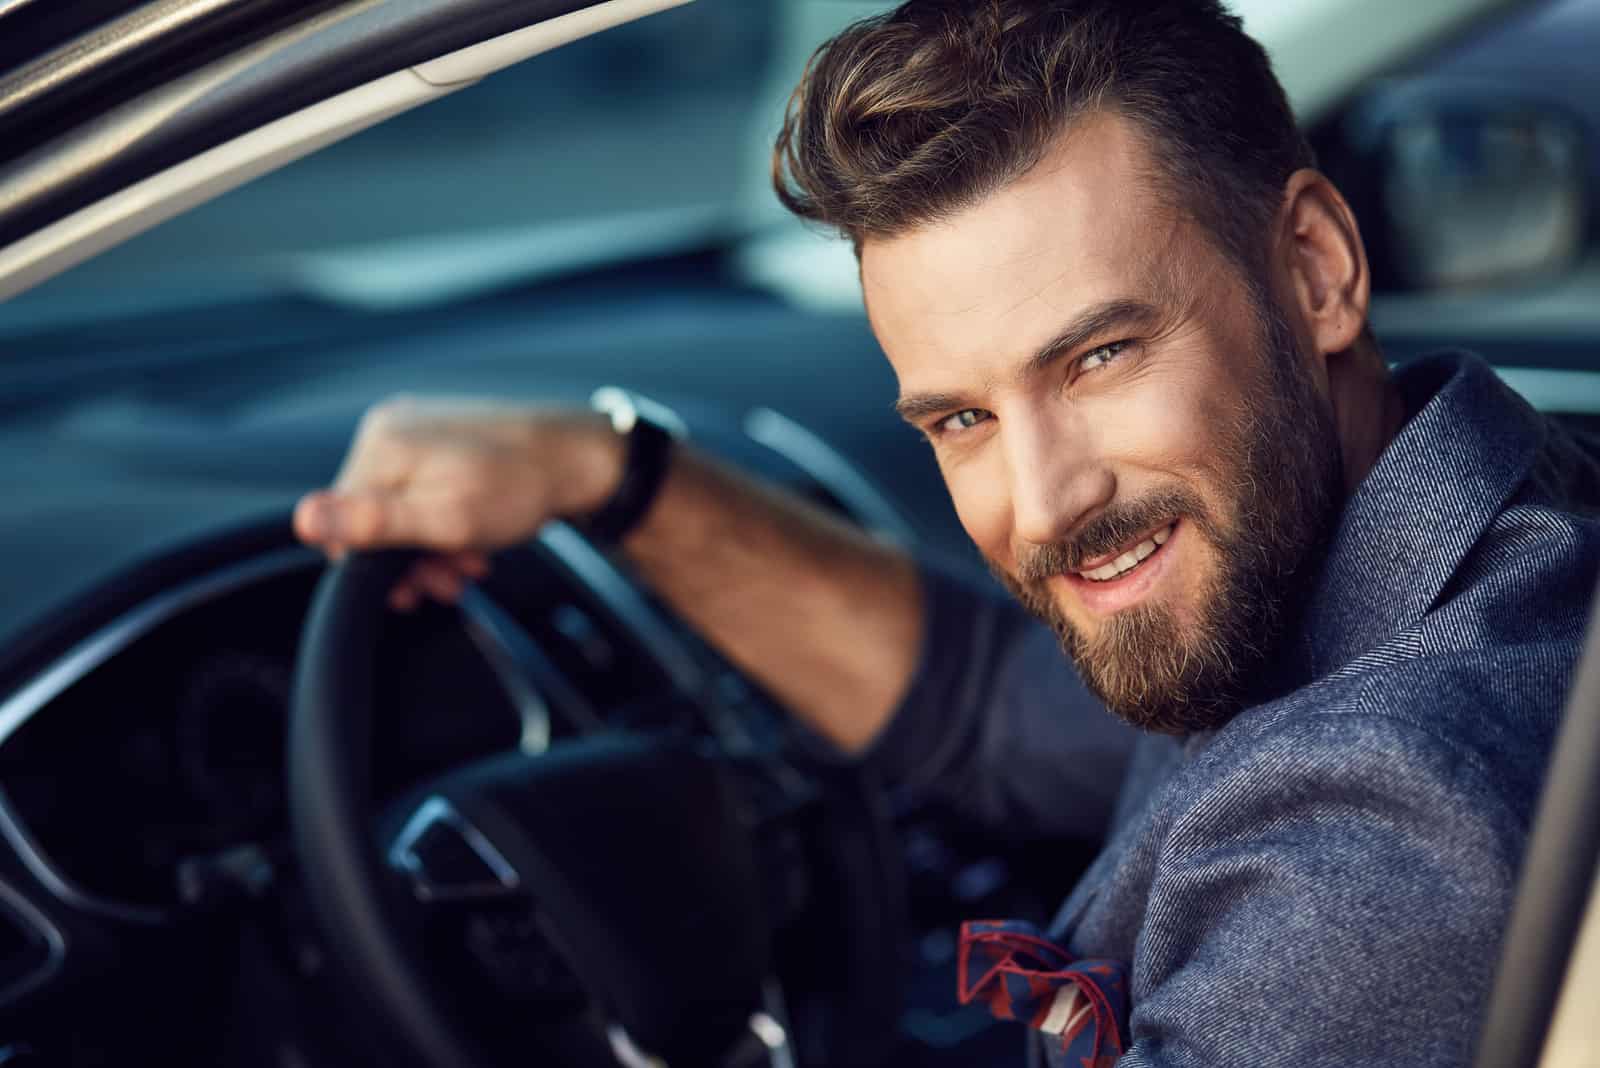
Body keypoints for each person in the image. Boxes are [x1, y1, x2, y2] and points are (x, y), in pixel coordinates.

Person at [294, 1, 1600, 1064]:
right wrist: (614, 476)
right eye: (963, 418)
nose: (1043, 505)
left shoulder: (1376, 864)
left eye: (1097, 357)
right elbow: (991, 708)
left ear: (1316, 267)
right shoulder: (1415, 536)